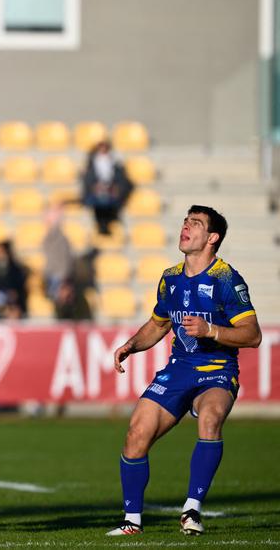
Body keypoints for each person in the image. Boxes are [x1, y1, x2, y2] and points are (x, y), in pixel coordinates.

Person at [107, 206, 261, 537]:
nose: (186, 227)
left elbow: (253, 334)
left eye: (196, 223)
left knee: (210, 419)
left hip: (217, 369)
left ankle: (191, 509)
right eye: (185, 221)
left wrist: (212, 331)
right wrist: (132, 345)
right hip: (179, 370)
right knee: (136, 435)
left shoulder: (226, 279)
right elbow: (159, 323)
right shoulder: (171, 277)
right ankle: (132, 521)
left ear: (212, 238)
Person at [81, 140, 132, 235]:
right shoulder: (91, 165)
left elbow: (121, 180)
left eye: (105, 149)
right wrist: (95, 187)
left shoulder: (116, 165)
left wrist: (115, 188)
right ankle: (102, 225)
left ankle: (107, 224)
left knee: (108, 201)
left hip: (111, 192)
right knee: (99, 202)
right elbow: (88, 181)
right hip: (96, 193)